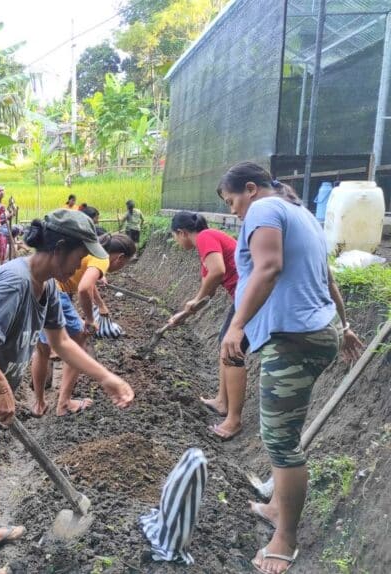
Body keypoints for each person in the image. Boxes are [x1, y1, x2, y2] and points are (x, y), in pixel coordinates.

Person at [0, 209, 134, 574]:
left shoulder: (44, 285)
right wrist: (1, 387)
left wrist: (107, 378)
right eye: (81, 255)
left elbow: (60, 341)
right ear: (61, 248)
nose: (83, 264)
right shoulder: (15, 283)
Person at [217, 162, 359, 574]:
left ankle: (286, 538)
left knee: (281, 442)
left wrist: (238, 325)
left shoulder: (264, 209)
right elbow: (328, 279)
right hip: (317, 333)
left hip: (294, 340)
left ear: (250, 189)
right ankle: (277, 506)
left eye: (233, 203)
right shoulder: (303, 215)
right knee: (285, 430)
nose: (236, 213)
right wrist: (345, 325)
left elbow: (269, 266)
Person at [31, 232, 137, 416]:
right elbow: (84, 287)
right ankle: (63, 404)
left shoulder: (92, 254)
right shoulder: (102, 259)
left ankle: (39, 403)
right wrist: (89, 319)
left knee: (42, 349)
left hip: (43, 287)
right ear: (120, 258)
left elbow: (87, 282)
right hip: (58, 294)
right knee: (79, 342)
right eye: (125, 263)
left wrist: (101, 305)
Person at [169, 212, 245, 440]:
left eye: (175, 237)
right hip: (242, 297)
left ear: (182, 232)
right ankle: (222, 402)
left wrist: (195, 300)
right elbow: (208, 293)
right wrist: (182, 315)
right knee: (225, 345)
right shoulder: (208, 241)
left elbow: (218, 271)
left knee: (232, 351)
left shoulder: (205, 237)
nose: (177, 241)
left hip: (249, 296)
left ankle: (234, 420)